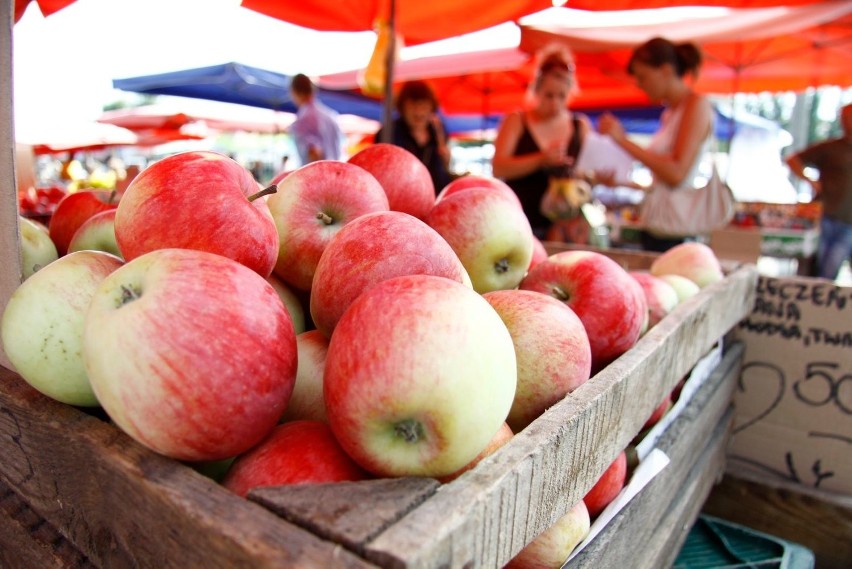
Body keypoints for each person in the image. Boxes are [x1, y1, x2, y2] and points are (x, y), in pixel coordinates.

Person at [597, 37, 715, 252]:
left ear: (666, 70)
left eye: (643, 77)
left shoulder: (696, 105)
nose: (640, 85)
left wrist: (622, 140)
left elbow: (676, 174)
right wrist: (620, 184)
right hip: (658, 227)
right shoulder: (671, 113)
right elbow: (661, 185)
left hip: (677, 234)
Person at [492, 46, 607, 240]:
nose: (555, 103)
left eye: (561, 96)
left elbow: (588, 173)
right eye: (549, 95)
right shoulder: (517, 120)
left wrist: (600, 177)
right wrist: (540, 160)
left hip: (566, 227)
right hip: (522, 222)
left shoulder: (580, 125)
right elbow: (499, 167)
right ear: (536, 90)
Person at [785, 103, 852, 281]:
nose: (847, 122)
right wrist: (812, 181)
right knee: (813, 265)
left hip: (848, 222)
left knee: (831, 267)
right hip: (824, 215)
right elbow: (793, 160)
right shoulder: (830, 148)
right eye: (844, 118)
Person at [375, 80, 453, 194]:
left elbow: (443, 171)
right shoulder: (388, 133)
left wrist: (446, 160)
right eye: (413, 105)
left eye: (424, 105)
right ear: (402, 107)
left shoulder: (439, 132)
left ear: (431, 107)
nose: (419, 111)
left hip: (436, 194)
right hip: (400, 196)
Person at [289, 73, 344, 164]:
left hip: (318, 175)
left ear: (294, 92)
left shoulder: (304, 118)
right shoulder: (329, 115)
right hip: (335, 171)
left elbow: (314, 153)